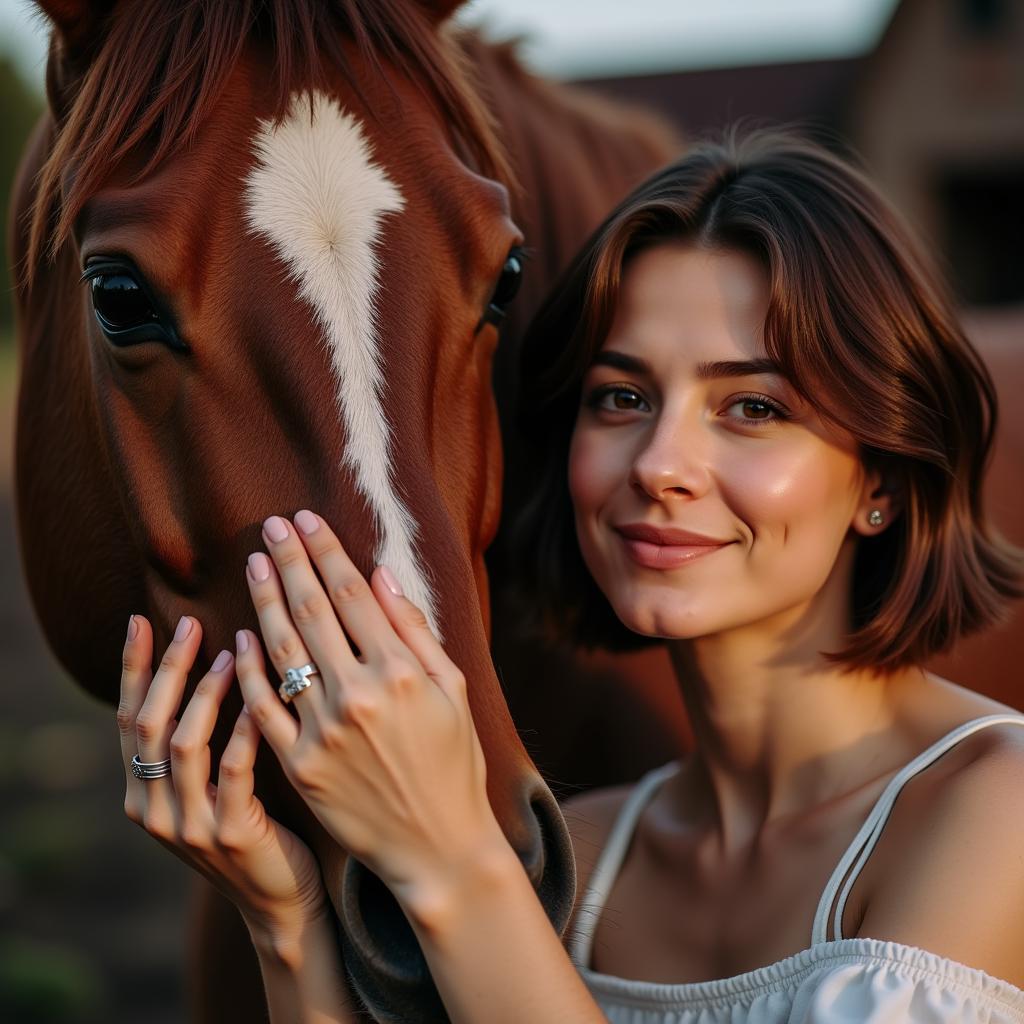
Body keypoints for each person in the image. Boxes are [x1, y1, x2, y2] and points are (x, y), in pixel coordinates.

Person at [116, 130, 1024, 1023]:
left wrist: (455, 864)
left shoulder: (996, 808)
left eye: (752, 407)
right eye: (621, 397)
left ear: (885, 481)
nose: (660, 464)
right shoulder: (582, 863)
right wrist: (289, 924)